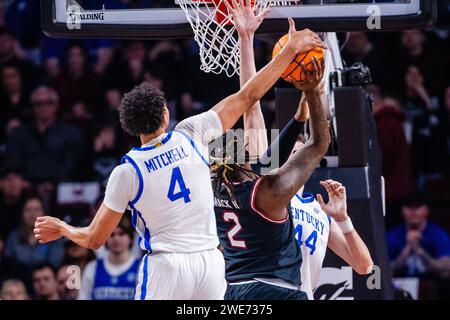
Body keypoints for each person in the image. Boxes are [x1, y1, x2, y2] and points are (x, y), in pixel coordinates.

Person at [33, 9, 326, 300]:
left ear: (129, 128)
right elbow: (249, 100)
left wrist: (63, 228)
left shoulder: (127, 171)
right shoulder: (191, 135)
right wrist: (286, 52)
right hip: (210, 264)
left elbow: (94, 239)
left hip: (168, 265)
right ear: (165, 113)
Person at [212, 1, 330, 300]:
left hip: (235, 292)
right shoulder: (269, 192)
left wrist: (246, 38)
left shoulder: (213, 189)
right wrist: (313, 92)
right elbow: (318, 143)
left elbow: (250, 109)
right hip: (279, 290)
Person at [387, 195, 450, 279]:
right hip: (398, 286)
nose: (413, 210)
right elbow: (381, 272)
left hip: (431, 285)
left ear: (427, 210)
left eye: (418, 206)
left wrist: (420, 251)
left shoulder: (438, 235)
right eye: (409, 206)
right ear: (401, 210)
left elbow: (446, 271)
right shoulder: (392, 235)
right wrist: (405, 252)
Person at [78, 217, 141, 300]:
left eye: (121, 234)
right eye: (111, 234)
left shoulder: (141, 268)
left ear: (130, 238)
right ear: (105, 239)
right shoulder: (92, 268)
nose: (116, 238)